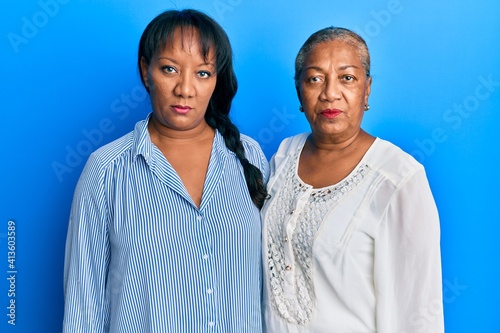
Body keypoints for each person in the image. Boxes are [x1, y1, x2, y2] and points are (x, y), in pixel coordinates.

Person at [63, 9, 268, 332]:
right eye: (169, 69)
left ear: (217, 79)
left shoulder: (250, 157)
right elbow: (83, 306)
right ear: (146, 71)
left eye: (202, 73)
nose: (185, 89)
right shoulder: (107, 170)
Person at [261, 27, 444, 332]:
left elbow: (418, 312)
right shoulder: (284, 156)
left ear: (367, 89)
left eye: (347, 78)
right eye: (315, 78)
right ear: (299, 91)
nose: (330, 93)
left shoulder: (397, 179)